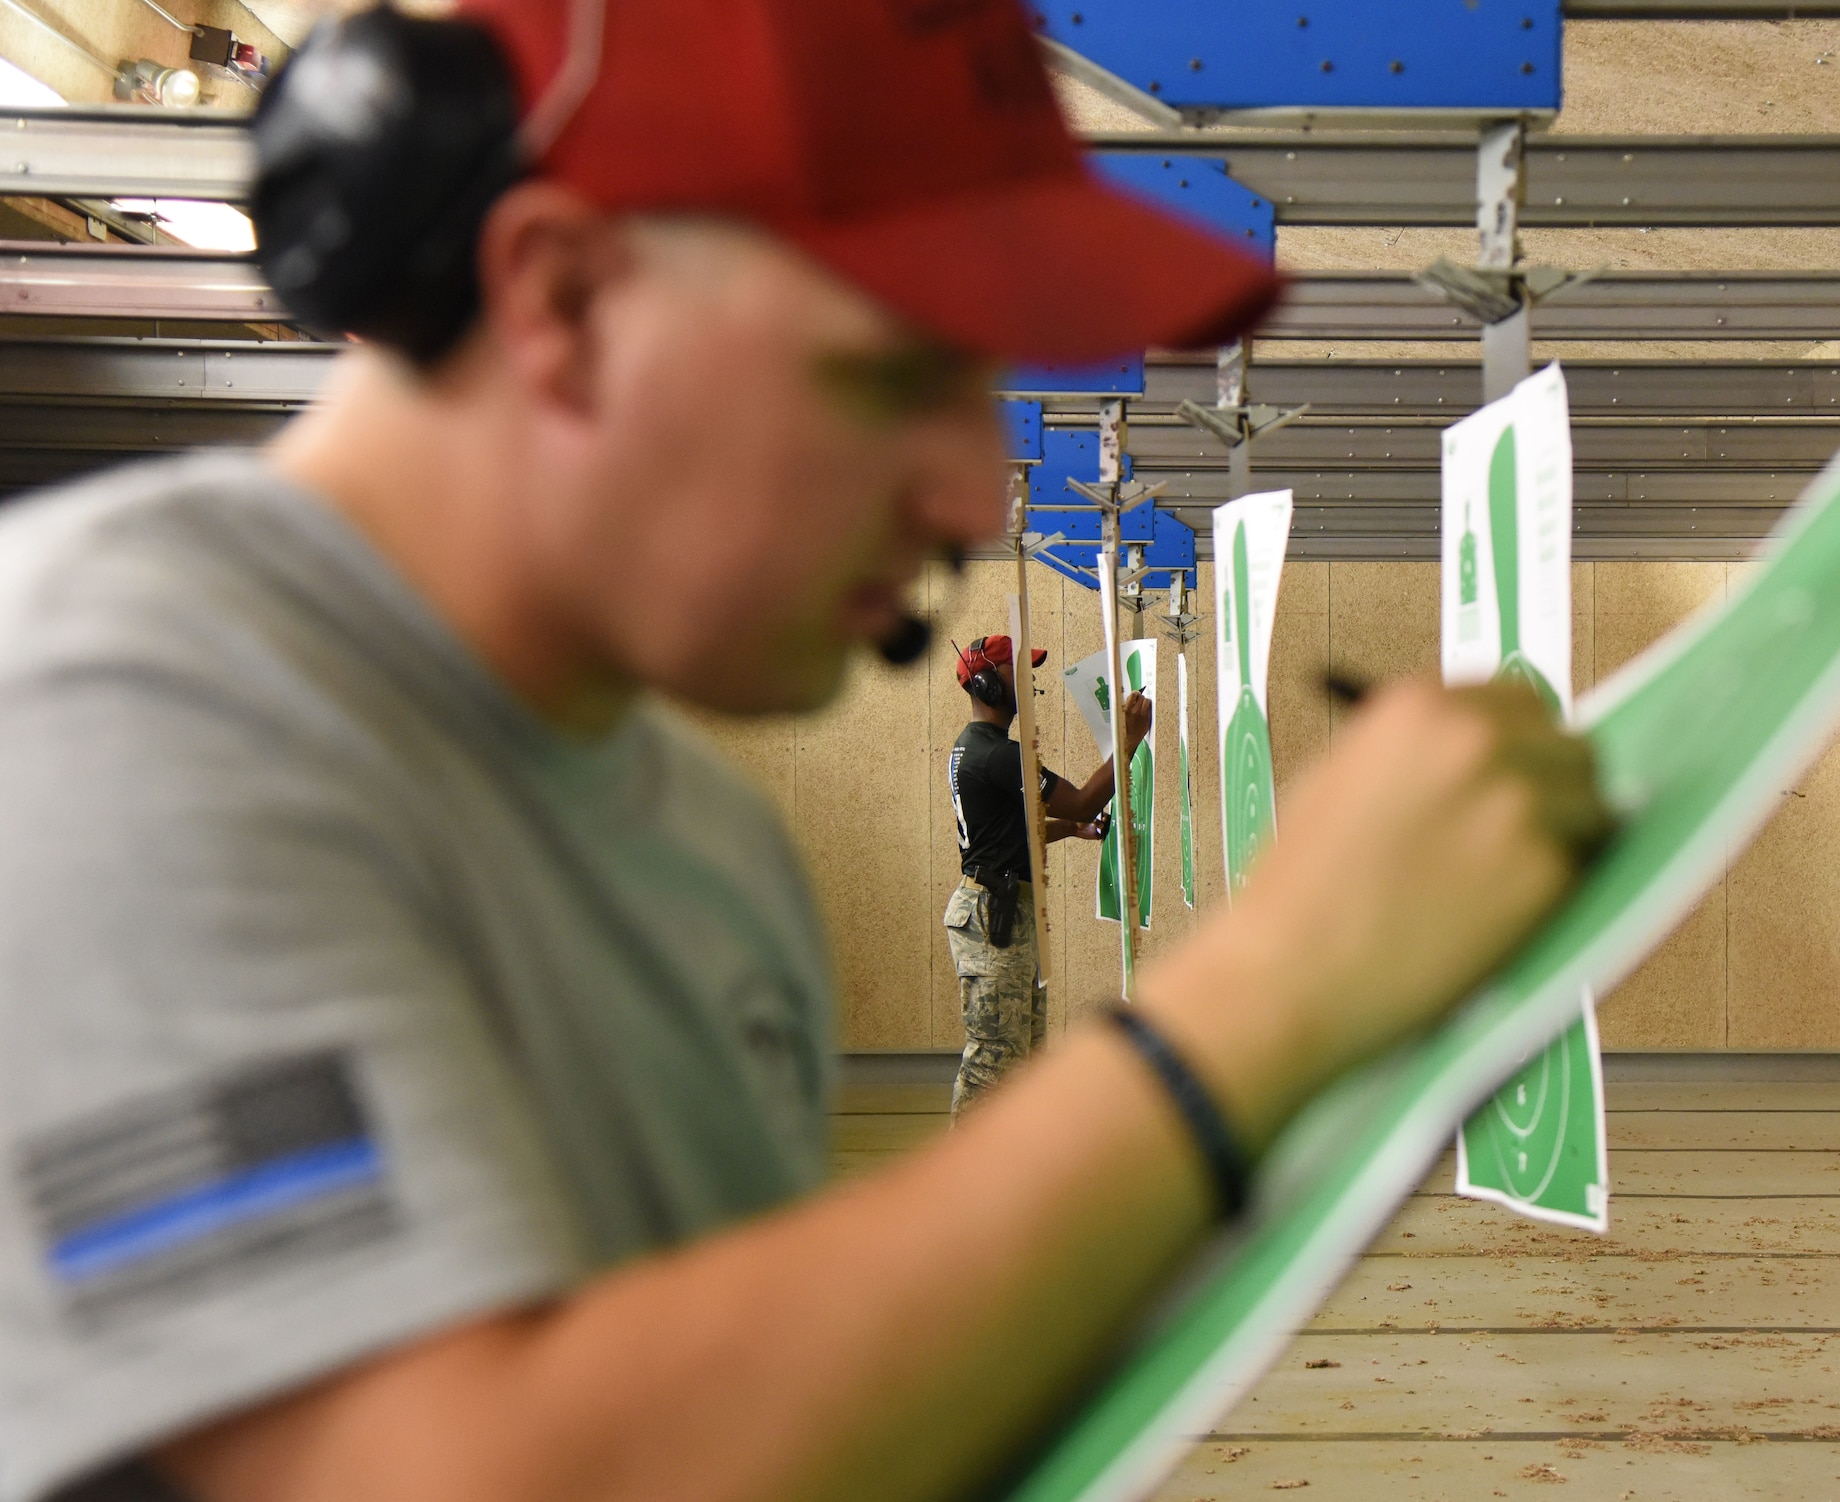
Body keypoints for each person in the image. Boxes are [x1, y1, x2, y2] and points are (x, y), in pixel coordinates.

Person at [0, 2, 1612, 1501]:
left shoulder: (702, 841)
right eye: (899, 369)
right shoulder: (110, 710)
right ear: (560, 298)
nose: (976, 500)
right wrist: (1277, 991)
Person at [945, 633, 1150, 1115]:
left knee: (1018, 1061)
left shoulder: (975, 746)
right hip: (993, 916)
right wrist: (1130, 740)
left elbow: (1011, 831)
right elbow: (1083, 798)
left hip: (1000, 907)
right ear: (987, 684)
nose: (1028, 683)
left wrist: (1070, 828)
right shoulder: (998, 754)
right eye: (1018, 672)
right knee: (992, 1064)